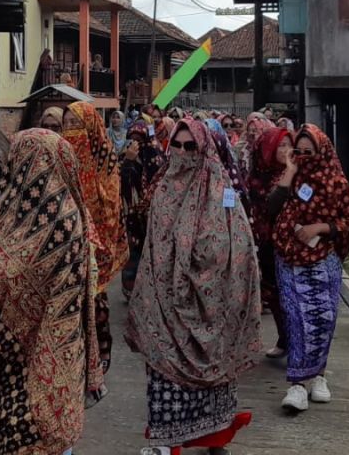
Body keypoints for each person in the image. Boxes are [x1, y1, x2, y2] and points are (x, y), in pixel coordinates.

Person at [0, 129, 104, 455]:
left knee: (42, 433)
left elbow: (66, 306)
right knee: (1, 431)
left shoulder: (65, 223)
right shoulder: (5, 209)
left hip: (48, 351)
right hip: (1, 351)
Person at [126, 119, 262, 455]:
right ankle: (164, 440)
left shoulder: (221, 190)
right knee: (162, 369)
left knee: (214, 374)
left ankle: (215, 436)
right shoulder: (164, 188)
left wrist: (207, 267)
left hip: (212, 303)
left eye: (191, 147)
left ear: (203, 149)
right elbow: (151, 243)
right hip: (165, 301)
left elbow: (239, 243)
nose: (183, 153)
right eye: (178, 146)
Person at [271, 124, 349, 413]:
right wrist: (290, 172)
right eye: (298, 151)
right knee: (296, 319)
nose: (303, 156)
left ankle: (319, 376)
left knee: (323, 318)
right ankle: (297, 384)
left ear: (322, 152)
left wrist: (320, 227)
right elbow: (271, 208)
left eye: (309, 152)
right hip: (288, 258)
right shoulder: (291, 179)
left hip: (323, 258)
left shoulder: (337, 183)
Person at [62, 101, 127, 373]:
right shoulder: (61, 157)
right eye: (66, 125)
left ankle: (100, 353)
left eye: (75, 125)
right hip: (65, 244)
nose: (70, 131)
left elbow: (112, 203)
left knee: (96, 303)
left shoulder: (105, 158)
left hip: (96, 244)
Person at [246, 127, 293, 359]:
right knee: (274, 295)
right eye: (280, 146)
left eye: (288, 145)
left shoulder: (297, 173)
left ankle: (297, 345)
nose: (286, 151)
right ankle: (284, 339)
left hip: (294, 246)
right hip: (267, 243)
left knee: (291, 295)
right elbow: (267, 206)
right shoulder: (258, 177)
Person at [119, 120, 167, 301]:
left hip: (153, 215)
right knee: (133, 251)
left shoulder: (156, 156)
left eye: (139, 139)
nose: (135, 143)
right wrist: (128, 162)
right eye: (132, 139)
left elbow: (161, 184)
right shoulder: (125, 156)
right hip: (131, 214)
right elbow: (119, 182)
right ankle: (130, 288)